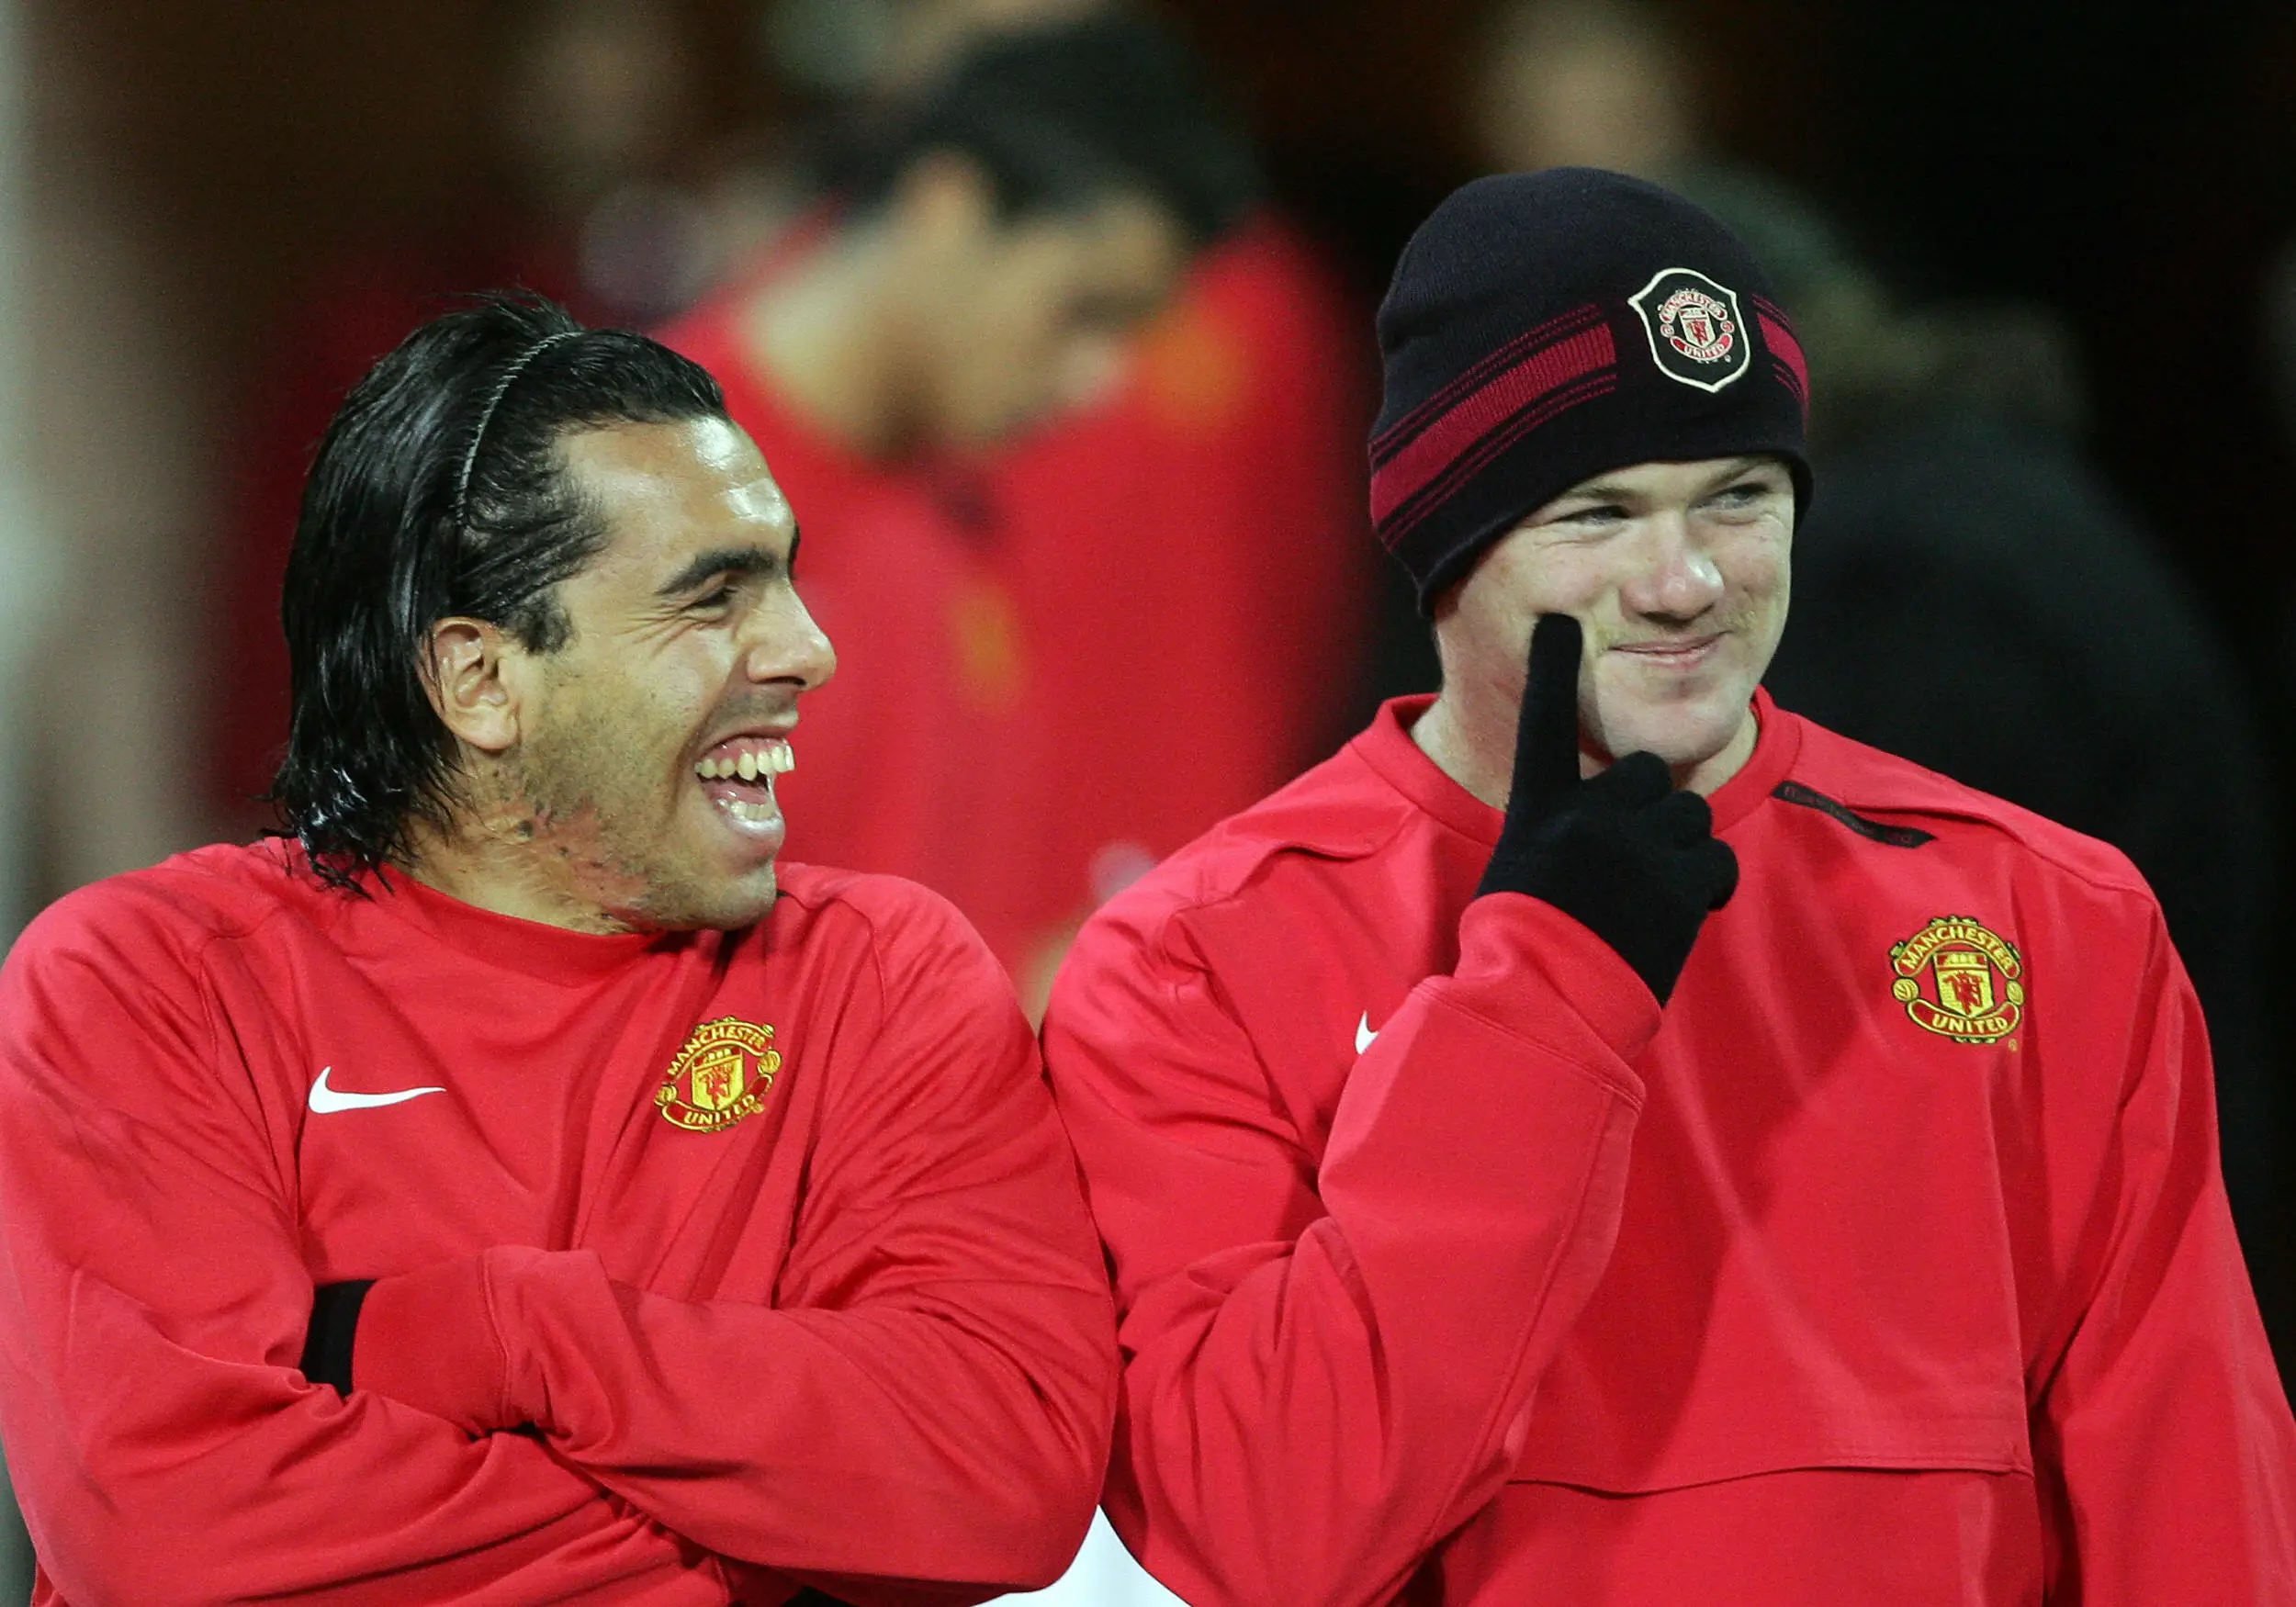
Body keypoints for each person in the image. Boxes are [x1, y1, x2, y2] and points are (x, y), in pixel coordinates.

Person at [1041, 169, 2296, 1604]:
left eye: (1740, 495)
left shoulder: (2048, 912)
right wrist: (1549, 985)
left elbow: (2192, 1491)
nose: (1688, 576)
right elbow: (1258, 1530)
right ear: (1443, 541)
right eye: (1598, 511)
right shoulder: (1195, 959)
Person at [0, 297, 1116, 1603]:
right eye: (713, 597)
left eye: (787, 574)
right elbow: (179, 1541)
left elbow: (1001, 1478)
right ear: (480, 680)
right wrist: (760, 1532)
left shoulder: (880, 976)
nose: (809, 648)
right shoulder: (146, 983)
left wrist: (507, 1332)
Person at [660, 17, 1364, 1002]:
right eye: (1081, 310)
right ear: (948, 209)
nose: (1094, 384)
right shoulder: (632, 504)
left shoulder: (958, 507)